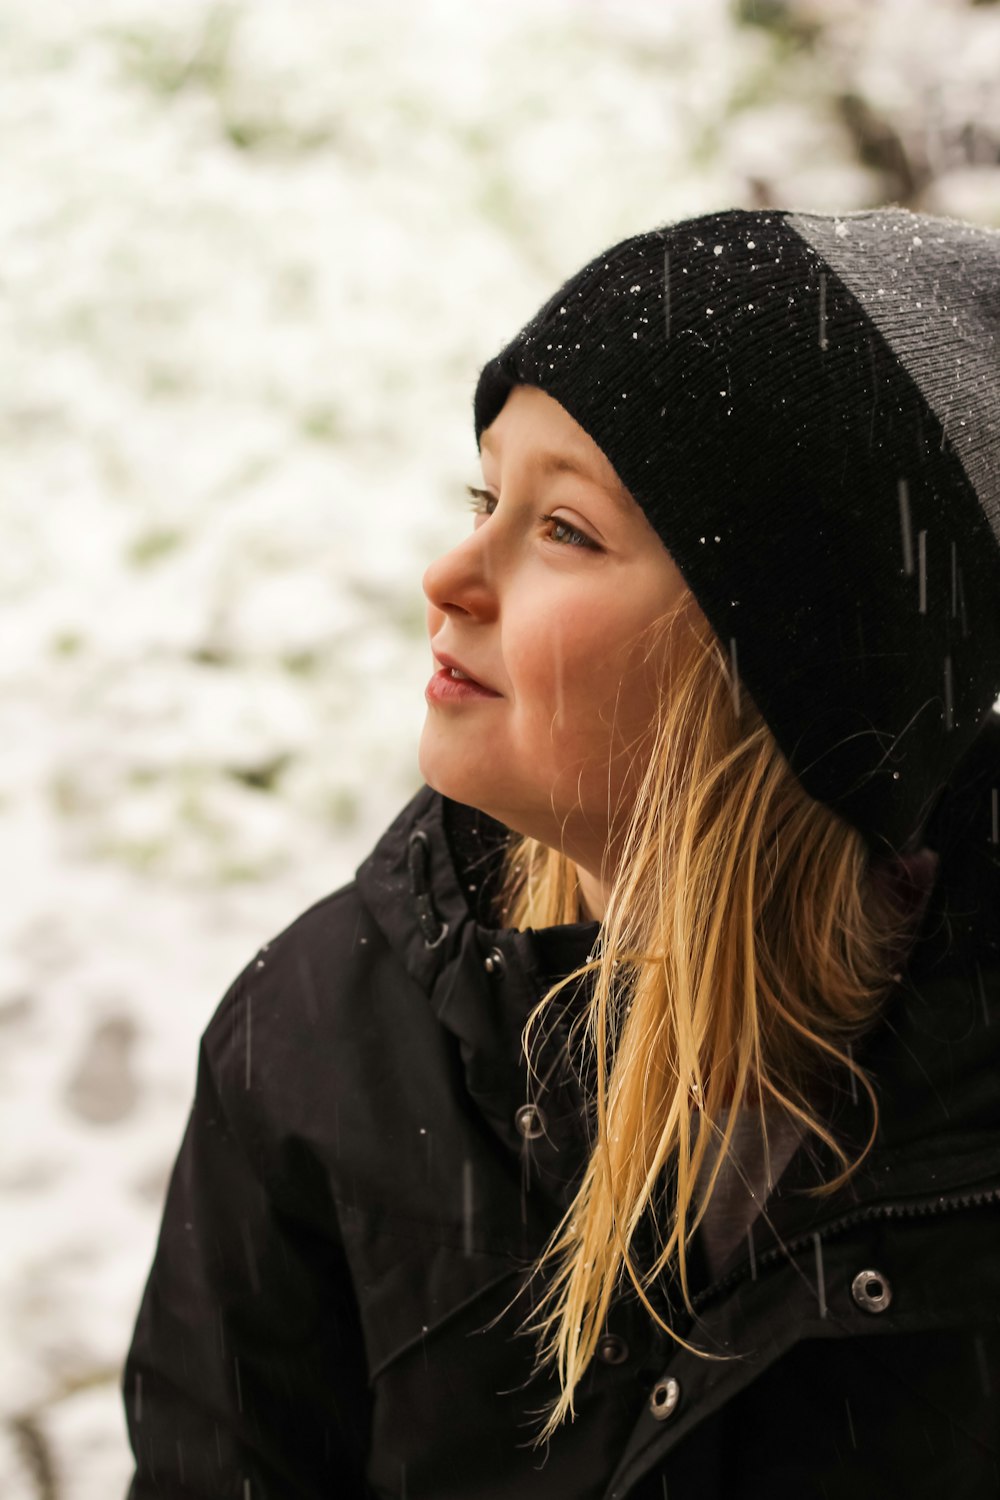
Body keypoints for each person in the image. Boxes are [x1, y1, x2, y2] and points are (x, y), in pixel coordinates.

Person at [122, 207, 1000, 1499]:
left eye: (566, 530)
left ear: (798, 677)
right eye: (489, 496)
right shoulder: (319, 1044)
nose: (451, 574)